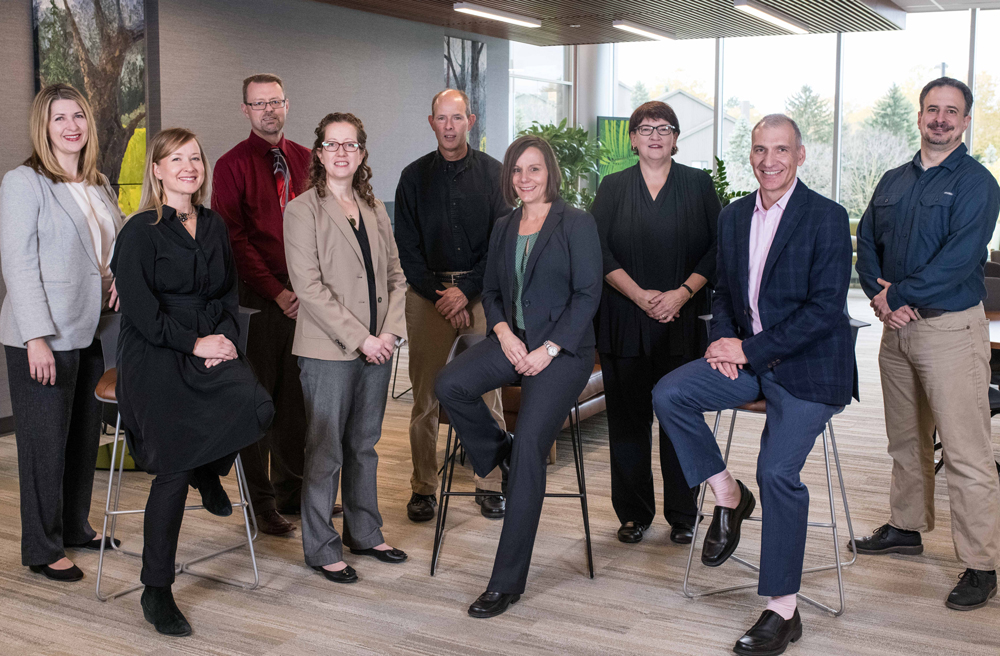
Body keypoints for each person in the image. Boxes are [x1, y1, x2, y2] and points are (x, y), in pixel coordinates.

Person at [652, 115, 856, 655]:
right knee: (669, 393)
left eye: (781, 150)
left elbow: (824, 310)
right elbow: (723, 292)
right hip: (745, 361)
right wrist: (723, 342)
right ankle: (727, 494)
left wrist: (748, 349)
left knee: (777, 470)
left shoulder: (828, 217)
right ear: (751, 154)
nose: (770, 161)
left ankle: (781, 610)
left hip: (810, 367)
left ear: (801, 155)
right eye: (761, 150)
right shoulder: (734, 215)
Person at [111, 128, 274, 636]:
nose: (188, 166)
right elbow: (139, 314)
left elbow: (227, 295)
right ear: (156, 170)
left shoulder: (215, 226)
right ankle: (156, 590)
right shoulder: (139, 231)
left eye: (195, 158)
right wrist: (195, 344)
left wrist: (222, 340)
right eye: (175, 158)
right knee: (173, 466)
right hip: (156, 351)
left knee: (258, 404)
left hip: (207, 340)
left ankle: (211, 466)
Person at [435, 135, 602, 618]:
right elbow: (490, 291)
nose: (524, 179)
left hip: (563, 352)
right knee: (449, 384)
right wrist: (506, 335)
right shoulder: (505, 225)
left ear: (549, 172)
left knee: (532, 447)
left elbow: (588, 296)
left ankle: (505, 582)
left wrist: (548, 349)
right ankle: (498, 451)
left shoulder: (576, 223)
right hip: (513, 342)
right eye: (516, 171)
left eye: (533, 169)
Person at [854, 76, 1000, 612]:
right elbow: (865, 242)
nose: (940, 119)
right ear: (919, 116)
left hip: (950, 332)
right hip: (897, 333)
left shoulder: (978, 183)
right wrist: (879, 294)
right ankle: (907, 528)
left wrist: (901, 295)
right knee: (906, 443)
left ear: (965, 122)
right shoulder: (893, 180)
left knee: (966, 453)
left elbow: (963, 256)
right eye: (932, 109)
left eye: (951, 111)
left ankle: (981, 564)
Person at [0, 83, 123, 582]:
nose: (71, 126)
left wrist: (116, 280)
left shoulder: (99, 184)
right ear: (43, 127)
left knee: (82, 440)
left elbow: (102, 253)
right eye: (59, 119)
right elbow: (19, 262)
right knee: (43, 446)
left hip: (90, 330)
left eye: (78, 116)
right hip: (42, 336)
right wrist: (35, 337)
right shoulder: (24, 182)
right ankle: (42, 547)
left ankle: (76, 526)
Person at [284, 112, 408, 585]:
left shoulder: (375, 209)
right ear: (319, 153)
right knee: (325, 449)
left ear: (361, 154)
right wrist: (363, 339)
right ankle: (320, 546)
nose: (341, 152)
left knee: (364, 445)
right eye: (332, 144)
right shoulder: (302, 210)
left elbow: (397, 276)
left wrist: (391, 334)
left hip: (380, 346)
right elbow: (309, 288)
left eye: (350, 145)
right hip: (329, 350)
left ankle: (365, 531)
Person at [592, 100, 720, 546]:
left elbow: (715, 249)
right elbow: (598, 252)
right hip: (623, 321)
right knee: (628, 424)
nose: (654, 136)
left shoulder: (698, 184)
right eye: (645, 129)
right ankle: (633, 514)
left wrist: (681, 293)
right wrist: (640, 295)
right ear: (632, 138)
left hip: (681, 322)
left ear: (676, 138)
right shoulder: (612, 187)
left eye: (664, 129)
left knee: (678, 420)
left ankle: (683, 514)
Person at [394, 89, 510, 522]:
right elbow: (407, 248)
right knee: (424, 397)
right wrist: (443, 296)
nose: (449, 126)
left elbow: (501, 244)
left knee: (489, 391)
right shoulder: (412, 177)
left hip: (481, 294)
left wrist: (468, 292)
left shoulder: (496, 174)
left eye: (456, 118)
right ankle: (423, 486)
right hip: (428, 296)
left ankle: (490, 483)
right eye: (441, 118)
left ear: (470, 121)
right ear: (431, 123)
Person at [212, 73, 316, 536]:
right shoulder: (230, 166)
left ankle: (293, 493)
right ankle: (263, 504)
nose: (268, 110)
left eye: (275, 101)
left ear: (287, 105)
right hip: (257, 300)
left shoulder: (306, 160)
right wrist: (277, 291)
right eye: (259, 104)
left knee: (296, 402)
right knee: (260, 402)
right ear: (245, 111)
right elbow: (234, 239)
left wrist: (308, 289)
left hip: (307, 299)